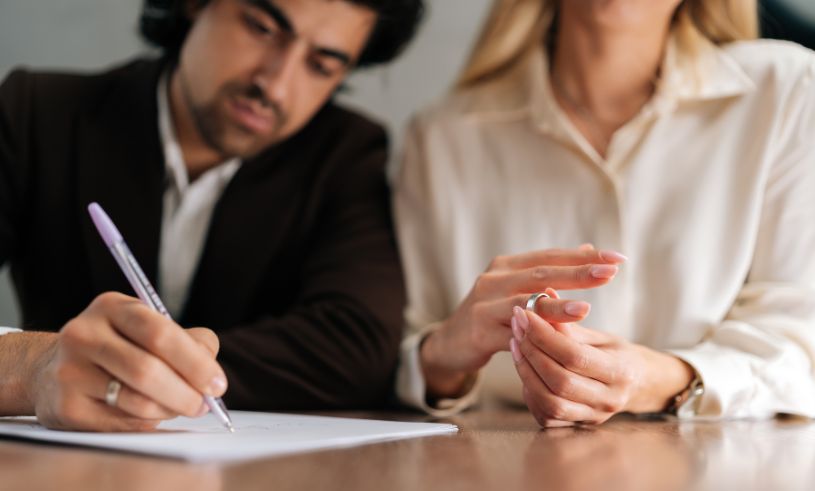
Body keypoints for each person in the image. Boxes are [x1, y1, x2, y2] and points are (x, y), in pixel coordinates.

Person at [0, 0, 424, 431]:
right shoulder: (36, 112)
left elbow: (357, 346)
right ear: (194, 5)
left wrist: (153, 369)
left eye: (322, 65)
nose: (275, 87)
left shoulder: (346, 154)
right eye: (260, 28)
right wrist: (32, 367)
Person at [394, 0, 815, 426]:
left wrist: (656, 381)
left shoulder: (788, 92)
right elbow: (404, 359)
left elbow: (798, 346)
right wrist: (441, 360)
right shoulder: (440, 136)